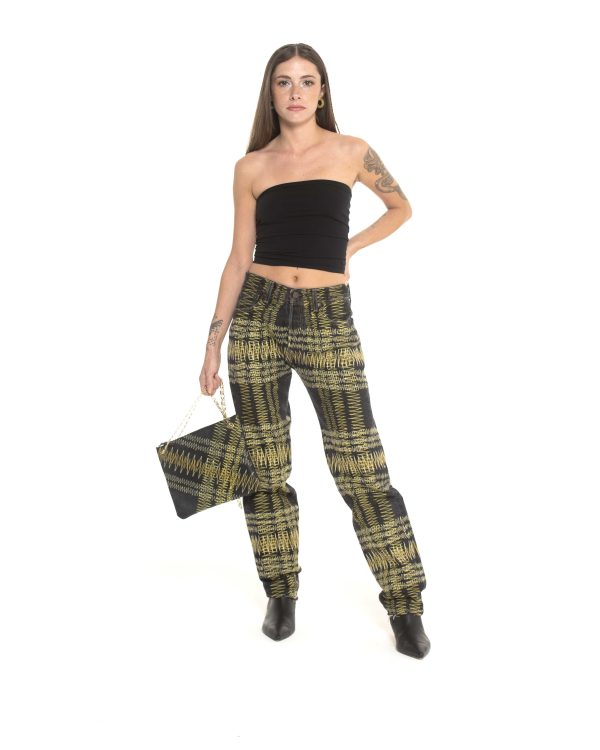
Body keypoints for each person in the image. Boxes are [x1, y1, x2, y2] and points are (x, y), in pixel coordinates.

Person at [198, 42, 430, 659]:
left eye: (307, 81)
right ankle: (281, 593)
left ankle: (405, 605)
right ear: (271, 93)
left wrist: (348, 248)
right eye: (284, 82)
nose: (295, 92)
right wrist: (212, 344)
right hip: (257, 315)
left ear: (322, 90)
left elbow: (401, 208)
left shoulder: (351, 151)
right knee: (264, 467)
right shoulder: (251, 166)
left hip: (327, 317)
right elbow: (237, 257)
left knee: (361, 467)